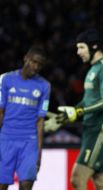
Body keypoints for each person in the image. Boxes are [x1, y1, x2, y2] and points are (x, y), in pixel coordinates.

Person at [57, 28, 103, 190]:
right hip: (91, 130)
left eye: (81, 47)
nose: (78, 52)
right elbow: (87, 101)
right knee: (101, 181)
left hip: (101, 129)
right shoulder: (93, 69)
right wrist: (67, 114)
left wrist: (79, 112)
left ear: (94, 47)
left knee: (77, 178)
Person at [0, 47, 50, 190]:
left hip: (29, 142)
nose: (36, 67)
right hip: (6, 140)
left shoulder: (45, 86)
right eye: (34, 62)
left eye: (40, 65)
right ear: (25, 58)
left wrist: (39, 153)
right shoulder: (6, 79)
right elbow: (0, 112)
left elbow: (40, 121)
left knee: (26, 185)